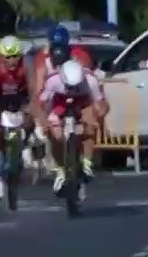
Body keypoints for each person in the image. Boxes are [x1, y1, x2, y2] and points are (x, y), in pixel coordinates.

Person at [34, 57, 102, 194]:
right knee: (55, 134)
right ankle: (61, 171)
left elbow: (102, 104)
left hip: (82, 103)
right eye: (69, 87)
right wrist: (43, 121)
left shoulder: (91, 81)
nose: (72, 89)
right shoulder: (53, 81)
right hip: (59, 104)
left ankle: (87, 164)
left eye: (76, 86)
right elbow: (38, 104)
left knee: (89, 126)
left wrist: (96, 117)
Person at [0, 34, 32, 203]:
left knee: (30, 120)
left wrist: (30, 108)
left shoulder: (26, 66)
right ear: (2, 57)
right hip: (0, 102)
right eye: (8, 57)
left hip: (20, 99)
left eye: (15, 56)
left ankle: (26, 144)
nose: (12, 61)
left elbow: (33, 89)